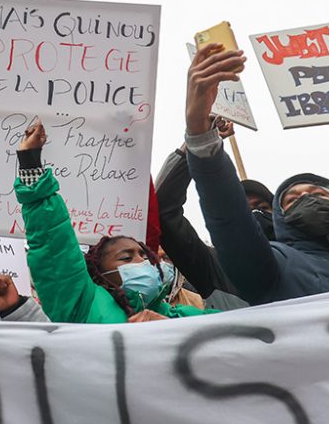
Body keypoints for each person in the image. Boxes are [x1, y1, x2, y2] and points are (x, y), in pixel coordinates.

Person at [185, 44, 329, 305]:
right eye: (292, 199)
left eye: (317, 194)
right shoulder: (271, 269)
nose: (306, 197)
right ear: (278, 218)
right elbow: (227, 213)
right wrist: (199, 129)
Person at [16, 122, 214, 323]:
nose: (142, 262)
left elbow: (237, 328)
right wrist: (30, 162)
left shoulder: (176, 315)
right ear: (101, 274)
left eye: (144, 255)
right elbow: (53, 244)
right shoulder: (82, 304)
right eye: (126, 258)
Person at [155, 117, 274, 310]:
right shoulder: (215, 267)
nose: (256, 215)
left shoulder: (309, 261)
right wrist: (196, 142)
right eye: (245, 211)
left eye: (262, 207)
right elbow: (163, 209)